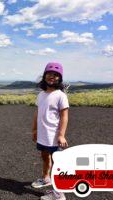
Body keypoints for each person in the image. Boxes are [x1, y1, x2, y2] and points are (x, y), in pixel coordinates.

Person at [32, 62, 69, 200]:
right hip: (42, 135)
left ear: (59, 78)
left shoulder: (60, 95)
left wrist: (61, 135)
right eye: (49, 74)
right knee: (44, 156)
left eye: (55, 75)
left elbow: (64, 116)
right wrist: (34, 130)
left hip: (54, 137)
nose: (52, 77)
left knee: (57, 164)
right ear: (44, 76)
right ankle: (46, 178)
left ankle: (59, 194)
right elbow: (37, 113)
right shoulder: (41, 94)